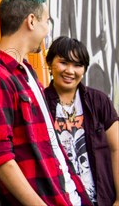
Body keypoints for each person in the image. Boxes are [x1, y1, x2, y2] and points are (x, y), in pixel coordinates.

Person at [0, 0, 92, 206]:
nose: (47, 30)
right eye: (46, 21)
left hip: (69, 198)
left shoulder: (26, 72)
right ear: (31, 21)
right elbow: (1, 159)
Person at [44, 36, 119, 206]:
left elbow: (117, 149)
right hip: (60, 200)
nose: (70, 71)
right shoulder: (40, 103)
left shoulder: (98, 101)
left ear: (84, 69)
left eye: (78, 65)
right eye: (64, 62)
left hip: (101, 200)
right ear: (49, 63)